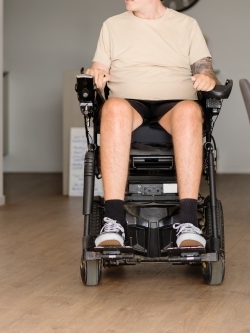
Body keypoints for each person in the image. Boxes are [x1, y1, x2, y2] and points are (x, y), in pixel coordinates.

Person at [86, 0, 220, 248]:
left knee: (191, 111)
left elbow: (207, 72)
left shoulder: (186, 25)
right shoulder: (112, 25)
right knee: (112, 108)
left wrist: (206, 78)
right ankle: (114, 220)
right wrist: (97, 76)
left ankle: (188, 221)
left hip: (175, 103)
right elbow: (98, 68)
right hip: (127, 101)